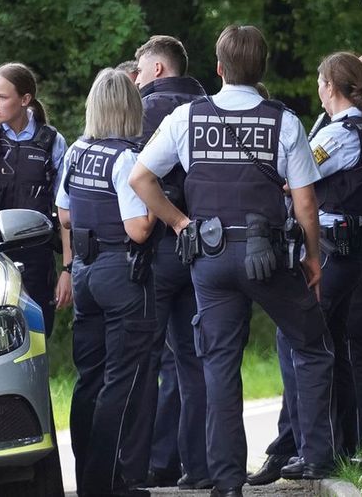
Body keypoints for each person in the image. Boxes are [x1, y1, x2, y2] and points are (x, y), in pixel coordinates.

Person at [130, 25, 336, 497]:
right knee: (310, 345)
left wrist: (181, 223)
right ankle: (318, 456)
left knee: (219, 365)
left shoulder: (186, 117)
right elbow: (305, 204)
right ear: (260, 68)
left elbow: (141, 178)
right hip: (269, 256)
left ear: (219, 68)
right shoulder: (283, 121)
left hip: (209, 256)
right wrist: (312, 256)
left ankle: (225, 483)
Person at [256, 52, 362, 480]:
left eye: (318, 78)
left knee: (298, 339)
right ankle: (337, 443)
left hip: (331, 247)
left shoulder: (339, 134)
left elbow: (293, 175)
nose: (316, 85)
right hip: (350, 249)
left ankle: (312, 449)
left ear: (330, 85)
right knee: (332, 344)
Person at [57, 68, 158, 497]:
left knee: (89, 379)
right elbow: (138, 229)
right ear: (130, 108)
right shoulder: (126, 159)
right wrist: (158, 207)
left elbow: (63, 214)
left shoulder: (77, 150)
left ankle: (88, 480)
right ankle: (106, 483)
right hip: (120, 272)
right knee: (120, 380)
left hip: (83, 271)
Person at [132, 35, 210, 490]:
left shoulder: (146, 110)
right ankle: (194, 463)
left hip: (160, 242)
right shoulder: (211, 107)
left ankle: (143, 464)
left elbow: (135, 178)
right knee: (194, 360)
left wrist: (172, 221)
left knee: (143, 358)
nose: (138, 80)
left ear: (157, 70)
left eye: (141, 72)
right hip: (206, 248)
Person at [0, 62, 70, 336]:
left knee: (39, 335)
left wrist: (68, 269)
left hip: (37, 256)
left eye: (2, 97)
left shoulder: (52, 142)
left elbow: (66, 211)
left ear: (25, 99)